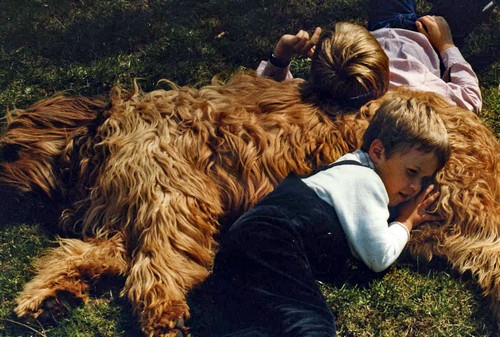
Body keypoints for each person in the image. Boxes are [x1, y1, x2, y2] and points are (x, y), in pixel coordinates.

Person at [210, 96, 451, 336]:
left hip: (247, 239)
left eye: (424, 180)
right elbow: (379, 256)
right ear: (378, 151)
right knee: (309, 319)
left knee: (266, 321)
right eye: (412, 172)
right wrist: (405, 223)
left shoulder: (348, 166)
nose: (415, 187)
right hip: (275, 237)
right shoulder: (368, 182)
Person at [257, 0, 485, 113]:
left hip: (383, 24)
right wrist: (447, 44)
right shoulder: (417, 91)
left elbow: (266, 95)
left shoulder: (323, 94)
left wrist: (281, 56)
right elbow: (471, 99)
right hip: (427, 35)